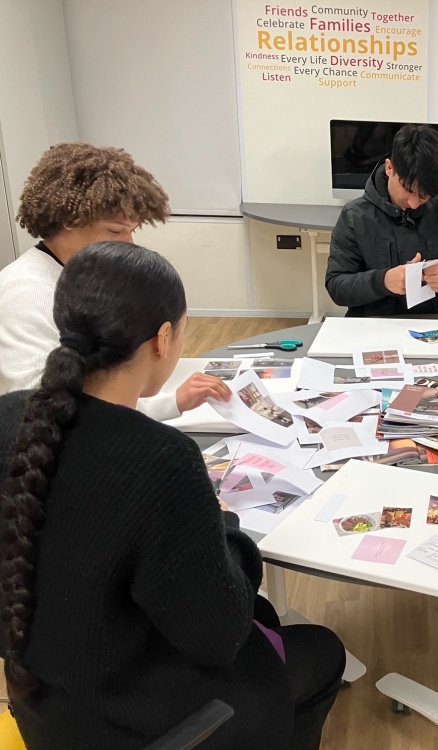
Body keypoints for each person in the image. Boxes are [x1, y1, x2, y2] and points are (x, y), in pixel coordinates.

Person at [0, 241, 346, 749]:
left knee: (270, 627)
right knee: (322, 651)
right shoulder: (162, 459)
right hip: (129, 718)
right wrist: (224, 522)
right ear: (163, 338)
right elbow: (218, 634)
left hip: (42, 703)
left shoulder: (11, 416)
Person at [0, 142, 228, 420]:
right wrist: (165, 404)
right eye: (115, 231)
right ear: (69, 219)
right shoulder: (25, 293)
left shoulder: (82, 277)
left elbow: (103, 387)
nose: (129, 243)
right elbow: (42, 405)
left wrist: (171, 402)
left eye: (132, 231)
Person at [325, 124, 438, 316]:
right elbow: (337, 286)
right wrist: (382, 281)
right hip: (377, 324)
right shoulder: (354, 216)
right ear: (389, 167)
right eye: (408, 190)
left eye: (425, 195)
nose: (414, 203)